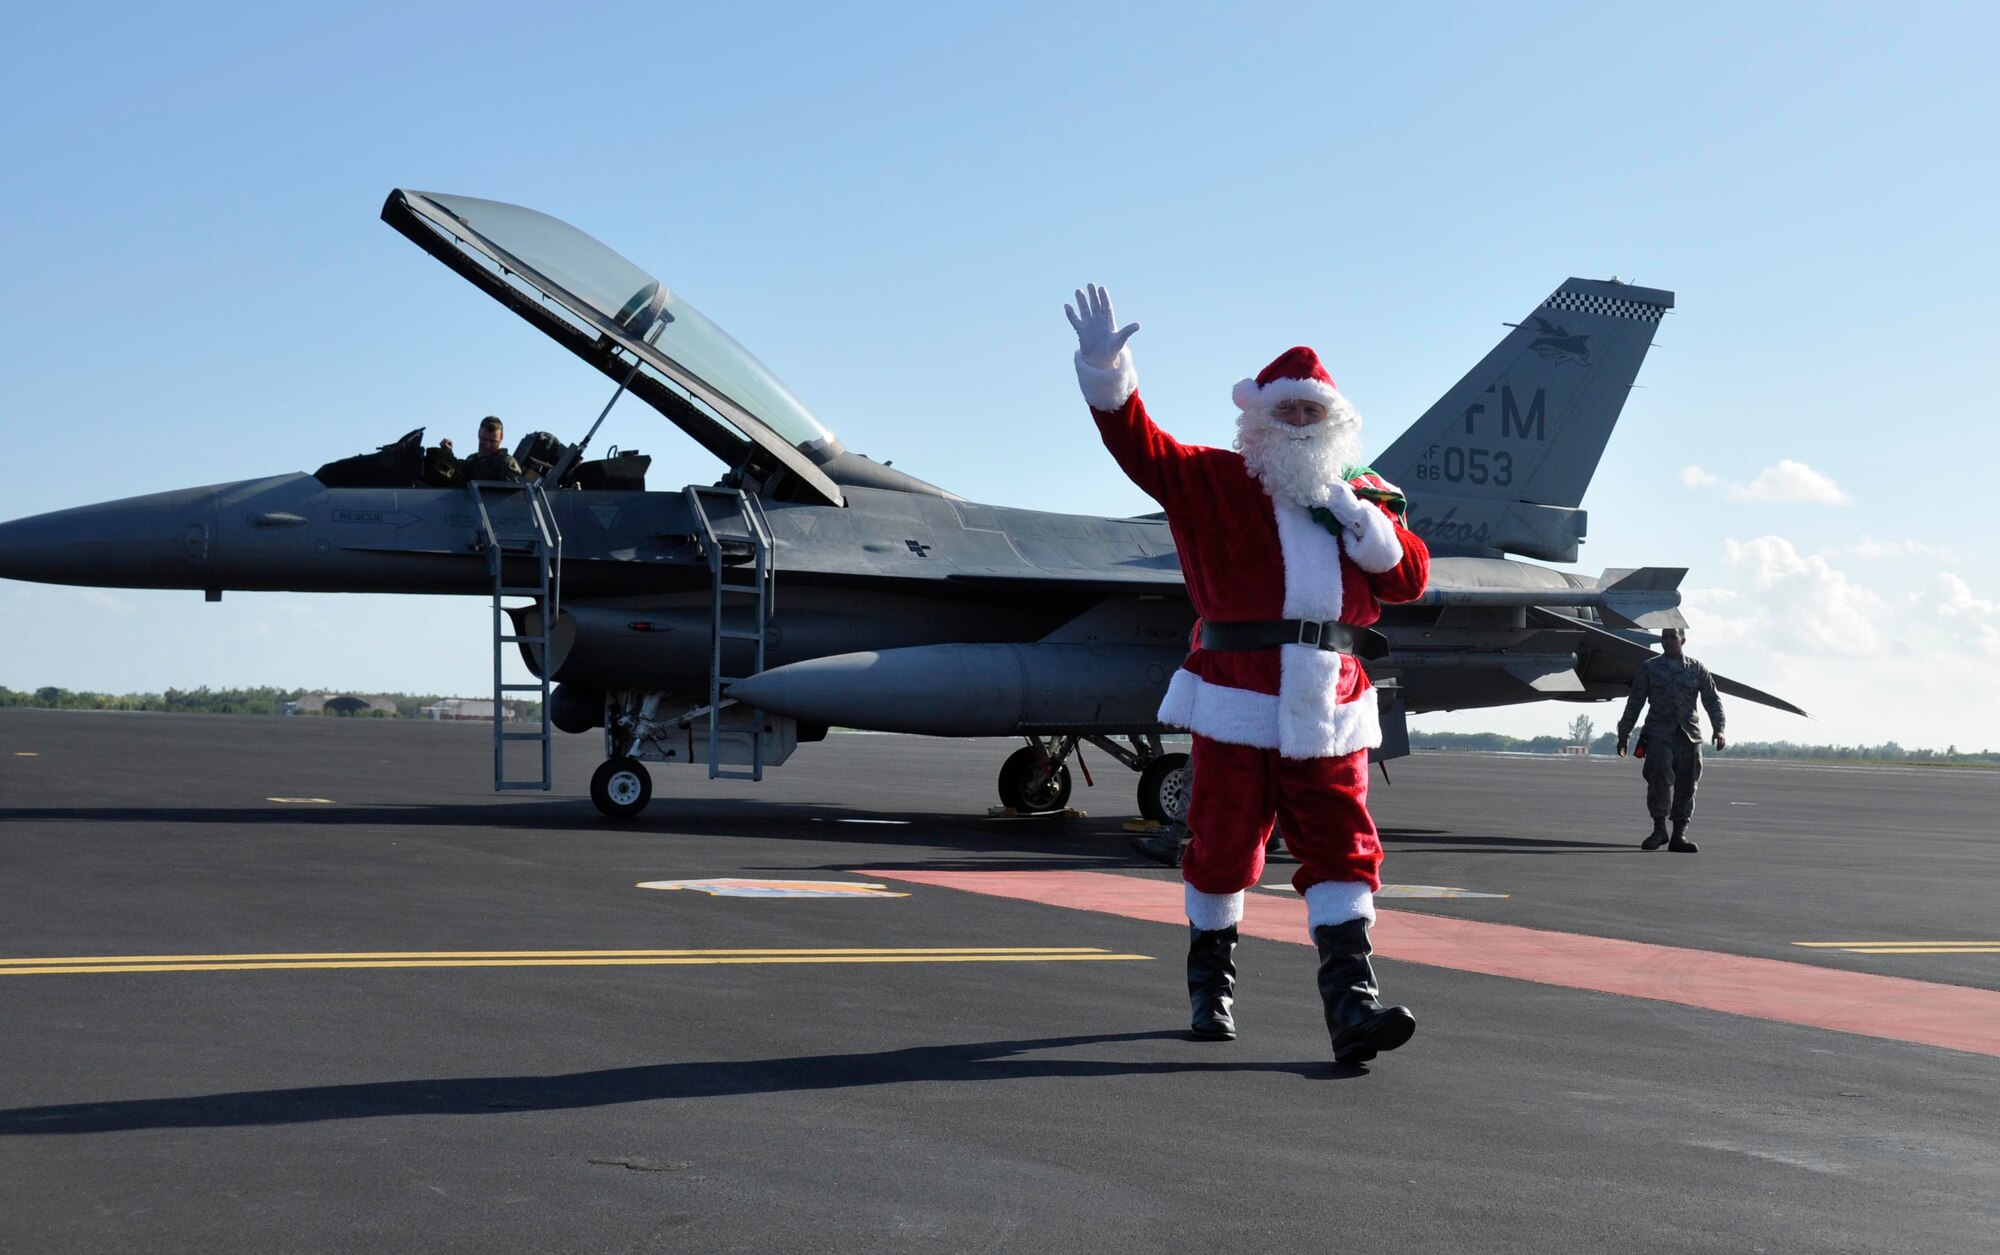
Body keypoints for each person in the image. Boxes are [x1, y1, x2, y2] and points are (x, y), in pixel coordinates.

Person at [1065, 283, 1430, 1065]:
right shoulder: (1214, 481)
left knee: (1343, 851)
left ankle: (1352, 1009)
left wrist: (1362, 521)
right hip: (1236, 699)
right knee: (1223, 847)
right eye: (1286, 413)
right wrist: (1107, 372)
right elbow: (1141, 446)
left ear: (1333, 423)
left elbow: (1409, 581)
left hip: (1329, 705)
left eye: (1312, 413)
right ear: (1257, 421)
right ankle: (1212, 985)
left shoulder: (1365, 498)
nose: (1300, 424)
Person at [1615, 626, 1726, 852]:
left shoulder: (1696, 669)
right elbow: (1635, 702)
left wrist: (1719, 728)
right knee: (1658, 780)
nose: (1667, 640)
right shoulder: (1650, 668)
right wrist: (1624, 734)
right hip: (1658, 734)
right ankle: (1659, 830)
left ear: (1682, 640)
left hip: (1688, 735)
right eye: (1664, 637)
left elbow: (1712, 700)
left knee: (1687, 785)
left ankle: (1679, 834)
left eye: (1672, 637)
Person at [441, 415, 524, 483]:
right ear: (478, 434)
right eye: (484, 440)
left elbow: (515, 495)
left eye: (492, 441)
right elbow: (457, 473)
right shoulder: (472, 459)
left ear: (501, 438)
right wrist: (447, 452)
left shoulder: (506, 463)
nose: (487, 445)